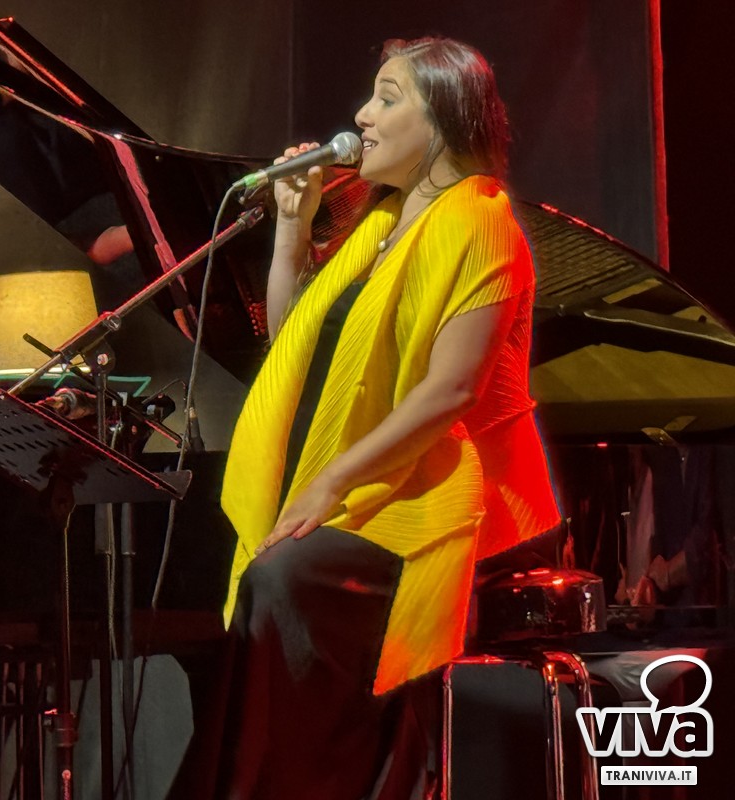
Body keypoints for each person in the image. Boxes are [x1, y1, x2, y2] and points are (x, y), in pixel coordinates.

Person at [213, 37, 562, 799]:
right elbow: (293, 349)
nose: (363, 116)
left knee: (283, 576)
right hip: (373, 490)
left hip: (437, 497)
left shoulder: (479, 219)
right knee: (270, 576)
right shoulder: (379, 226)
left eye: (387, 98)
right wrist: (292, 227)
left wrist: (329, 483)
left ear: (444, 119)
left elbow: (452, 392)